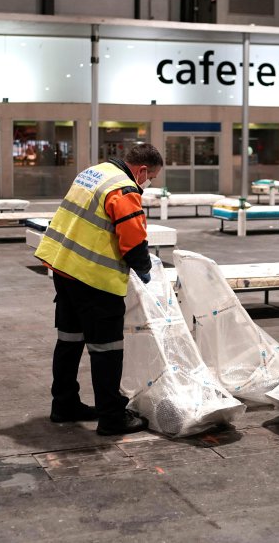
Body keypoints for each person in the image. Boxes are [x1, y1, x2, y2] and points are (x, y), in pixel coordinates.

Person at [35, 144, 164, 436]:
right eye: (151, 177)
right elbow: (132, 239)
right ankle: (111, 417)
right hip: (94, 280)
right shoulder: (124, 189)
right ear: (142, 170)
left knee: (69, 342)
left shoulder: (93, 173)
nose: (147, 182)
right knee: (107, 350)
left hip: (64, 269)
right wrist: (145, 269)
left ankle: (64, 405)